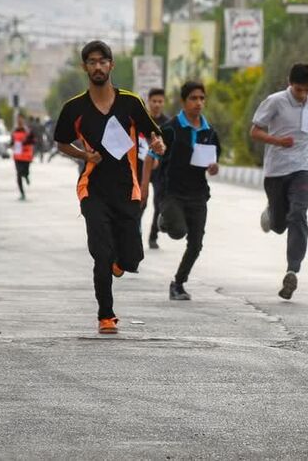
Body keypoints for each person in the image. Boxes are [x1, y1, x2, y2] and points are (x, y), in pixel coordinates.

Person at [54, 40, 164, 335]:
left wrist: (157, 143)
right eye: (92, 61)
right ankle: (106, 314)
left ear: (111, 65)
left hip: (127, 189)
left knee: (132, 258)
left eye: (103, 61)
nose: (98, 66)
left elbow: (152, 131)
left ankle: (119, 261)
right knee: (101, 254)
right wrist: (84, 154)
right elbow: (62, 141)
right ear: (85, 67)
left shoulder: (130, 102)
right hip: (93, 190)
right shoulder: (74, 108)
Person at [250, 63, 308, 300]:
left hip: (303, 167)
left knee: (298, 214)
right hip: (276, 171)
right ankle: (271, 213)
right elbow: (255, 131)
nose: (302, 95)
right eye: (298, 90)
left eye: (306, 89)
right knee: (279, 225)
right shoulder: (275, 101)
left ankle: (292, 269)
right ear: (289, 83)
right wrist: (276, 140)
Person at [141, 81, 220, 301]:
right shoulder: (171, 129)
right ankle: (165, 222)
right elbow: (150, 157)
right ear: (184, 102)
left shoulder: (209, 131)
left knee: (196, 244)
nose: (198, 103)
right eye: (194, 98)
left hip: (198, 194)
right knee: (177, 231)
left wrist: (214, 167)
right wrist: (144, 188)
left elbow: (213, 162)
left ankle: (178, 283)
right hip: (172, 192)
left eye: (202, 98)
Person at [142, 88, 172, 249]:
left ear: (163, 103)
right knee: (141, 201)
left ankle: (153, 236)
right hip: (142, 167)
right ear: (149, 102)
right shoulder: (142, 121)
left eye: (160, 101)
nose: (157, 104)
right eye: (154, 101)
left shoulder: (168, 123)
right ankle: (134, 232)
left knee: (158, 203)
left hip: (160, 170)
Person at [10, 114, 35, 200]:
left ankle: (26, 176)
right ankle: (22, 193)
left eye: (21, 119)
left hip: (27, 155)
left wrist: (25, 142)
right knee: (19, 174)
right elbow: (12, 142)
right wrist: (12, 145)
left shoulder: (28, 131)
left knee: (25, 172)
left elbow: (33, 140)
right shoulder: (14, 130)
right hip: (17, 156)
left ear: (23, 120)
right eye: (18, 119)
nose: (19, 121)